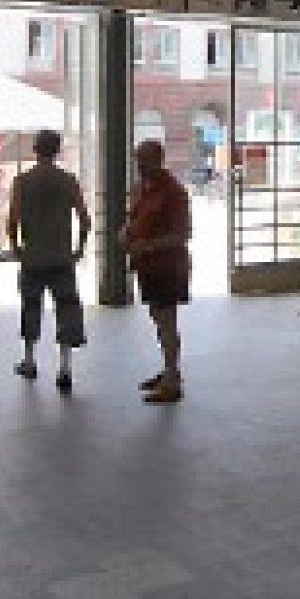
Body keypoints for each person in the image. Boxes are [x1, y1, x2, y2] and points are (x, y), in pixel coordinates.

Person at [6, 130, 92, 392]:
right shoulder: (68, 180)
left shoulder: (22, 181)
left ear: (35, 149)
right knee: (66, 309)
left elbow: (12, 221)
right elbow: (85, 220)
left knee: (31, 307)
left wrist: (16, 248)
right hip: (61, 257)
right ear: (57, 150)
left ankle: (30, 361)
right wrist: (79, 249)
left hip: (33, 256)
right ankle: (64, 368)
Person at [124, 140, 192, 404]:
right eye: (137, 159)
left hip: (167, 266)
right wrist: (127, 232)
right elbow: (136, 220)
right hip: (148, 266)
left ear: (159, 159)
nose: (140, 165)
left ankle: (173, 380)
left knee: (167, 321)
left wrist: (147, 245)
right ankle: (168, 370)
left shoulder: (174, 193)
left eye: (145, 160)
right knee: (158, 317)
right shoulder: (142, 189)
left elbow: (182, 234)